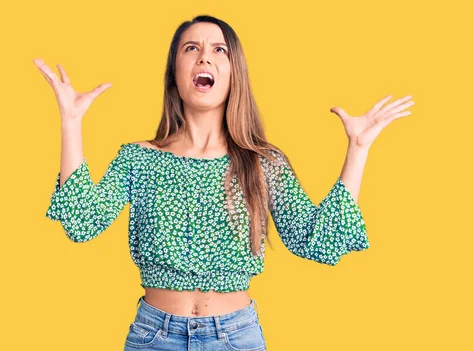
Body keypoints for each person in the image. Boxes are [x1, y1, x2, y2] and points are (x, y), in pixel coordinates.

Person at [36, 14, 414, 351]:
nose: (204, 57)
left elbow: (316, 241)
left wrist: (359, 148)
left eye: (219, 49)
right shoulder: (139, 157)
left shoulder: (262, 162)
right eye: (191, 48)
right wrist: (70, 122)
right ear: (174, 73)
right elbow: (81, 222)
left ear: (234, 72)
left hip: (236, 337)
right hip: (154, 336)